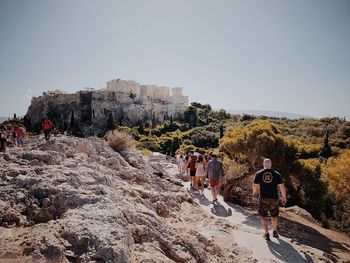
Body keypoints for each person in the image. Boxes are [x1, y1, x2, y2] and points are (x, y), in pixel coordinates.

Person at [252, 159, 287, 241]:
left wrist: (254, 193)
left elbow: (254, 185)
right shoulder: (276, 174)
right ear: (271, 164)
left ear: (264, 164)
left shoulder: (259, 173)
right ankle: (274, 231)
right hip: (274, 198)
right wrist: (284, 197)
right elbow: (281, 186)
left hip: (263, 197)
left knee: (264, 215)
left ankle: (266, 233)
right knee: (274, 215)